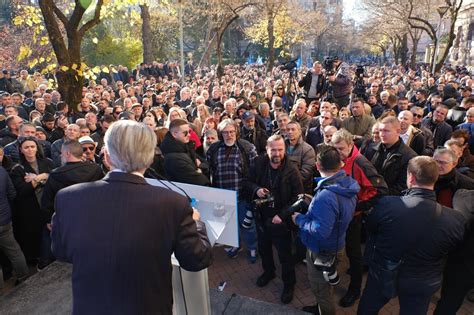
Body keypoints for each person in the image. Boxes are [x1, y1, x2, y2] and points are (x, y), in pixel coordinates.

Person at [51, 120, 213, 314]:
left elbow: (61, 251)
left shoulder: (67, 197)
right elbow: (197, 259)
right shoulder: (173, 203)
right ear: (150, 159)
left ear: (107, 157)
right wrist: (196, 223)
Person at [358, 156, 466, 315]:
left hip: (383, 273)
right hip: (423, 282)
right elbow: (453, 248)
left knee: (368, 309)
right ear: (436, 178)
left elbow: (371, 228)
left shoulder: (388, 204)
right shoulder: (455, 219)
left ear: (410, 176)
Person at [292, 146, 360, 315]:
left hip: (322, 249)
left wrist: (299, 220)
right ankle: (320, 308)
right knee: (325, 285)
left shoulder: (326, 195)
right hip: (337, 244)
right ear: (341, 164)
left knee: (321, 290)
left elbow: (320, 230)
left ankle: (324, 310)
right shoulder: (348, 184)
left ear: (317, 165)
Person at [331, 129, 388, 308]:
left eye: (341, 148)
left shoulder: (360, 162)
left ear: (350, 145)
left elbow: (380, 190)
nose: (338, 152)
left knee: (353, 254)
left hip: (352, 218)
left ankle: (355, 290)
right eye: (335, 148)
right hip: (337, 215)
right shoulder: (339, 159)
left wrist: (357, 206)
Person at [244, 135, 304, 304]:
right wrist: (256, 190)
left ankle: (289, 284)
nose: (277, 153)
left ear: (285, 150)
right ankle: (268, 272)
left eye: (280, 150)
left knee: (285, 256)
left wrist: (282, 215)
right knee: (264, 249)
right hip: (261, 217)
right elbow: (246, 182)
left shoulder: (292, 170)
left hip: (281, 221)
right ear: (267, 149)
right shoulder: (258, 163)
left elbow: (299, 198)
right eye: (273, 150)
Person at [39, 140, 103, 269]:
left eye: (62, 153)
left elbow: (47, 201)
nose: (61, 156)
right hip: (93, 220)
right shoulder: (95, 169)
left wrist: (48, 220)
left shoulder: (56, 175)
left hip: (67, 222)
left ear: (67, 153)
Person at [206, 119, 258, 262]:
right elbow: (209, 169)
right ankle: (235, 246)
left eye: (231, 132)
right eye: (225, 132)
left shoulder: (247, 148)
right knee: (229, 224)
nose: (229, 135)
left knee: (246, 224)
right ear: (220, 134)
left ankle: (252, 247)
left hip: (242, 195)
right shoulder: (214, 149)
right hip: (222, 196)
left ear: (236, 132)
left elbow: (256, 171)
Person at [9, 137, 53, 262]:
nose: (30, 150)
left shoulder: (47, 162)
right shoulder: (17, 169)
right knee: (34, 238)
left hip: (48, 204)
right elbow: (22, 191)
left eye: (32, 146)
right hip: (30, 209)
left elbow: (55, 180)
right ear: (21, 150)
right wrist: (41, 178)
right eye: (26, 147)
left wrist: (38, 177)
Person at [370, 116, 417, 195]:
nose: (382, 134)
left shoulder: (409, 156)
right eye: (380, 130)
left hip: (390, 199)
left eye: (386, 131)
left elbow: (402, 186)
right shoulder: (371, 149)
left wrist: (379, 195)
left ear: (398, 131)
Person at [0, 165, 29, 287]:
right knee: (15, 252)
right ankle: (24, 278)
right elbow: (12, 193)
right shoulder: (1, 170)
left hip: (4, 219)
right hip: (4, 220)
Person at [160, 119, 209, 186]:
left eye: (189, 132)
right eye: (185, 133)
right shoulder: (174, 158)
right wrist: (201, 169)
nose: (189, 135)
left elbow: (207, 164)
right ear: (174, 134)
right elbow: (201, 181)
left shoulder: (186, 147)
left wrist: (200, 167)